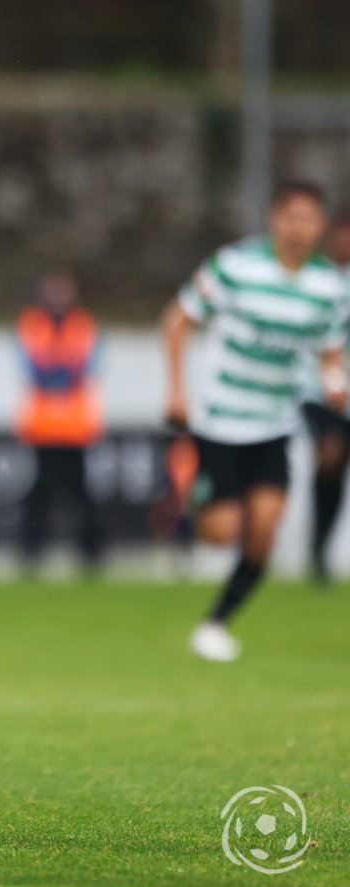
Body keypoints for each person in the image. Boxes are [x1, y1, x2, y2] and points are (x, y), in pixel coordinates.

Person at [163, 180, 348, 662]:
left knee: (264, 530)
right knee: (222, 533)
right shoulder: (235, 267)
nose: (300, 227)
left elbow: (331, 349)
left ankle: (216, 622)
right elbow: (178, 319)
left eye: (310, 219)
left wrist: (334, 379)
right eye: (292, 216)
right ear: (274, 219)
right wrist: (176, 389)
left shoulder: (329, 287)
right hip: (221, 417)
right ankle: (192, 506)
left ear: (320, 226)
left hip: (274, 422)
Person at [15, 269, 106, 576]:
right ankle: (31, 552)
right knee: (40, 492)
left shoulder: (83, 323)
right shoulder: (32, 323)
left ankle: (91, 553)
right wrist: (60, 370)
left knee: (79, 491)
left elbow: (82, 366)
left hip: (75, 426)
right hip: (43, 427)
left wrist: (56, 370)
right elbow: (36, 367)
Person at [299, 212, 350, 583]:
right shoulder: (314, 278)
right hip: (318, 392)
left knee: (336, 471)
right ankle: (317, 549)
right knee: (329, 456)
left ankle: (321, 547)